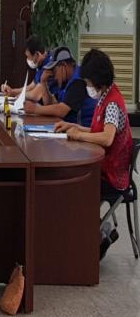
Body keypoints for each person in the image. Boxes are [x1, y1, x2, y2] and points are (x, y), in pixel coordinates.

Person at [55, 49, 133, 257]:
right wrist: (74, 127)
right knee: (72, 184)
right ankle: (99, 232)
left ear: (98, 80)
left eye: (89, 82)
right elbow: (99, 130)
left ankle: (97, 237)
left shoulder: (112, 104)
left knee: (74, 187)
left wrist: (79, 136)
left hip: (112, 177)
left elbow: (107, 138)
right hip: (104, 169)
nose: (88, 86)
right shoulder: (106, 95)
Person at [24, 46, 97, 127]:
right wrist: (43, 82)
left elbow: (62, 110)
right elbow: (50, 105)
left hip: (85, 130)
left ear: (64, 65)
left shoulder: (78, 80)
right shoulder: (66, 81)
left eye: (54, 70)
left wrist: (34, 109)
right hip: (71, 128)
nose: (54, 76)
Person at [2, 35, 53, 100]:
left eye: (29, 57)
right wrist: (12, 91)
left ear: (37, 54)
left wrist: (22, 96)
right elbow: (31, 86)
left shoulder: (50, 65)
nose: (28, 59)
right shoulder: (40, 64)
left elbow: (37, 92)